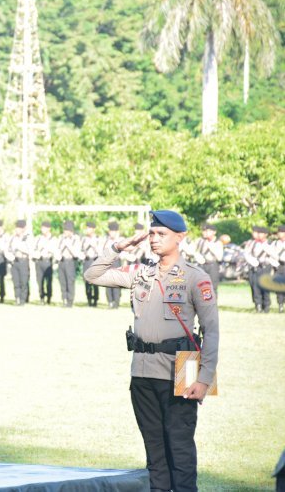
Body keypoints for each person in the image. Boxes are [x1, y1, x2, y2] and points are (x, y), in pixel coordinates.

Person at [84, 210, 219, 492]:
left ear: (180, 237)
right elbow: (92, 275)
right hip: (142, 369)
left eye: (162, 234)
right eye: (152, 234)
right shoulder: (141, 274)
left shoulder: (196, 277)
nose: (155, 240)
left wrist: (205, 379)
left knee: (180, 446)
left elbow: (211, 330)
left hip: (183, 367)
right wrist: (118, 248)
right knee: (154, 449)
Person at [55, 220, 82, 307]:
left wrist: (68, 244)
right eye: (64, 230)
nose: (65, 232)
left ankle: (70, 301)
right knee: (62, 281)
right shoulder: (60, 238)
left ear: (71, 231)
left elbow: (76, 253)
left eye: (67, 230)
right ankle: (64, 300)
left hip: (70, 262)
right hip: (62, 262)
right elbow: (57, 249)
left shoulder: (76, 239)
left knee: (70, 282)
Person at [8, 219, 32, 306]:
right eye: (16, 228)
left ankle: (23, 299)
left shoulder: (27, 237)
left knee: (23, 281)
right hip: (15, 261)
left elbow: (30, 250)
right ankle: (17, 298)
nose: (17, 230)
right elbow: (9, 248)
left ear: (23, 229)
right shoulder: (13, 238)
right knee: (16, 281)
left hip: (23, 261)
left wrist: (19, 247)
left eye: (19, 228)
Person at [31, 220, 56, 304]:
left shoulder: (53, 239)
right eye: (42, 228)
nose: (42, 229)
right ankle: (41, 297)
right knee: (40, 281)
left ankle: (49, 297)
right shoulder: (38, 238)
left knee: (48, 281)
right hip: (39, 262)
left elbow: (55, 251)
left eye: (44, 228)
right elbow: (33, 249)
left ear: (49, 229)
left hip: (48, 261)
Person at [81, 221, 101, 307]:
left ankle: (95, 300)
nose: (87, 230)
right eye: (87, 228)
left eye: (89, 228)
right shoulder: (83, 239)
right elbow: (80, 250)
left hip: (95, 261)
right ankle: (89, 299)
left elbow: (100, 251)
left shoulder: (98, 238)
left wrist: (94, 245)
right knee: (87, 281)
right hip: (87, 261)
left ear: (93, 229)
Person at [274, 225, 285, 313]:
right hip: (279, 266)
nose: (279, 234)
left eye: (281, 232)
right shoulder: (275, 243)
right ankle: (280, 304)